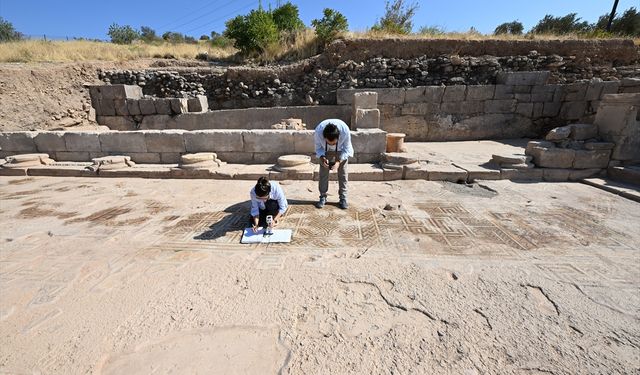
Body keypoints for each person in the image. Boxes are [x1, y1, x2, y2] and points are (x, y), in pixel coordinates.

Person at [314, 119, 354, 209]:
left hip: (341, 150)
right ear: (324, 137)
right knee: (323, 174)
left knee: (343, 174)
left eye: (334, 143)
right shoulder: (318, 132)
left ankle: (343, 198)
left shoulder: (345, 131)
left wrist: (338, 161)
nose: (331, 145)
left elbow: (347, 149)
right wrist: (322, 158)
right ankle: (322, 197)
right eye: (329, 143)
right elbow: (318, 148)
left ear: (339, 137)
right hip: (325, 151)